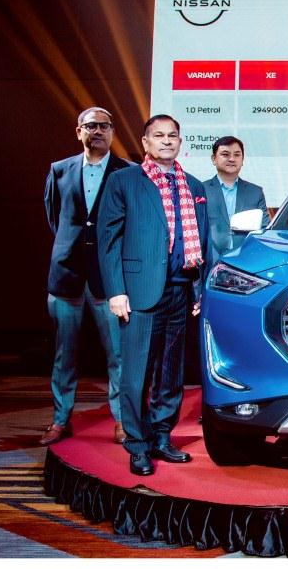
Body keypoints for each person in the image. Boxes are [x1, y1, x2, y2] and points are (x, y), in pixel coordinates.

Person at [98, 114, 210, 475]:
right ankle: (137, 444)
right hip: (139, 293)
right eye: (158, 136)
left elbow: (204, 241)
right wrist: (116, 291)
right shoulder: (124, 181)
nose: (166, 141)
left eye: (172, 135)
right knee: (136, 373)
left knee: (171, 372)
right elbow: (108, 240)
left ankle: (162, 436)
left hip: (180, 289)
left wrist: (199, 289)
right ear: (145, 143)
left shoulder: (193, 185)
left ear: (180, 142)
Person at [41, 106, 132, 446]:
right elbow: (55, 216)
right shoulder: (60, 170)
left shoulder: (128, 171)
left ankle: (122, 421)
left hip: (109, 280)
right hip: (66, 276)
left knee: (118, 356)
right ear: (78, 131)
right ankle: (59, 420)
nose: (98, 131)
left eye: (105, 126)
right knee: (64, 355)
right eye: (91, 126)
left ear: (112, 132)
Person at [204, 136, 268, 262]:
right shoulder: (201, 189)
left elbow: (264, 228)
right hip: (210, 259)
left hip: (246, 259)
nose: (232, 159)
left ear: (242, 160)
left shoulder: (255, 192)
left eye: (237, 155)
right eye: (225, 154)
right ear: (214, 159)